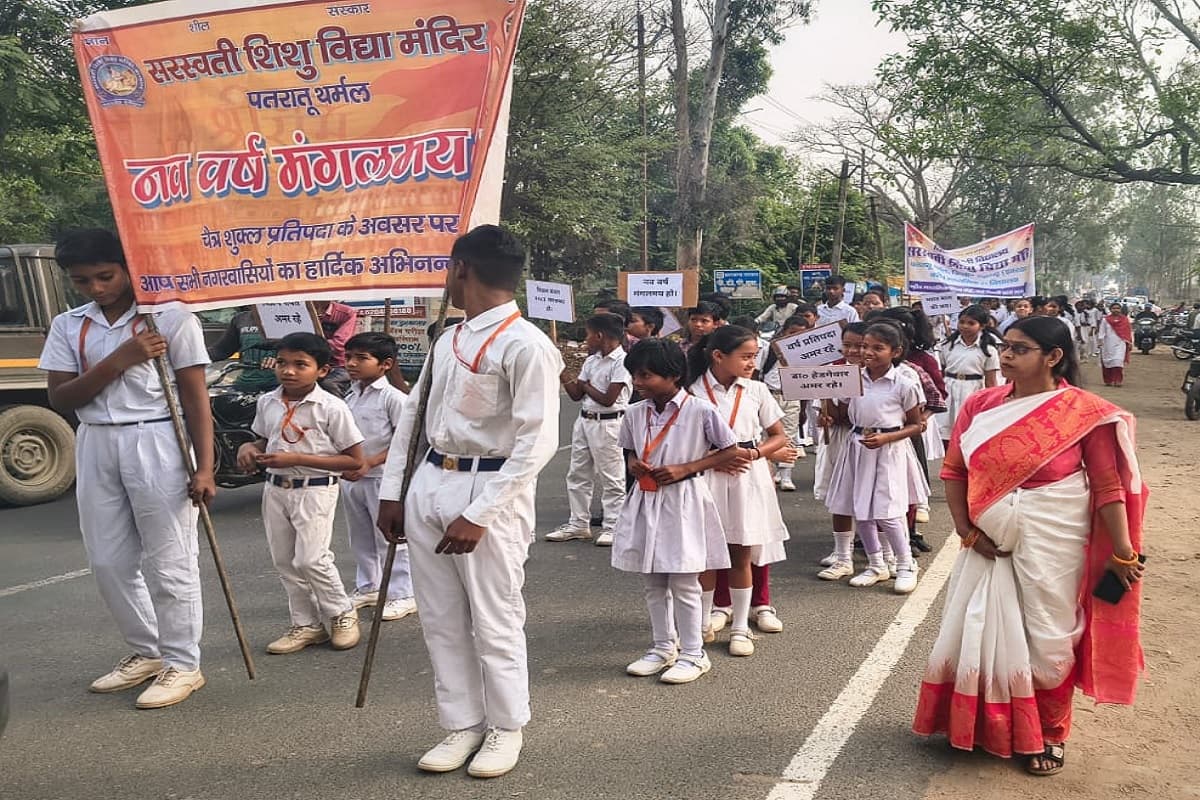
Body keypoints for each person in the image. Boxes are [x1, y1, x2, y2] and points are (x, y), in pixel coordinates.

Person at [913, 316, 1147, 776]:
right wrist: (966, 530)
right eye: (1005, 346)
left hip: (1053, 541)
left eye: (1019, 349)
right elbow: (956, 471)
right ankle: (980, 725)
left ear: (1053, 356)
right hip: (986, 544)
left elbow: (1107, 486)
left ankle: (1051, 732)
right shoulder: (981, 404)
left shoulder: (1084, 412)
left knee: (1048, 634)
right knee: (977, 628)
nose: (1005, 355)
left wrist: (1123, 552)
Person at [375, 225, 562, 779]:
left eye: (448, 269)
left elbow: (538, 442)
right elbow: (412, 419)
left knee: (495, 616)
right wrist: (393, 493)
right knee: (439, 617)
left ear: (460, 269)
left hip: (491, 488)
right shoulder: (447, 339)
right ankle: (462, 722)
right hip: (431, 478)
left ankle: (506, 726)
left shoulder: (525, 344)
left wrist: (480, 514)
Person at [40, 228, 215, 709]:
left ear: (127, 268)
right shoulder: (69, 325)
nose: (96, 289)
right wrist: (120, 359)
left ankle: (183, 663)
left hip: (158, 436)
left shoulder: (170, 317)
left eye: (105, 276)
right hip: (95, 439)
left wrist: (205, 466)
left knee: (170, 558)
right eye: (82, 281)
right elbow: (61, 397)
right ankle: (148, 649)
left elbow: (195, 396)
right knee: (108, 561)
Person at [612, 338, 737, 684]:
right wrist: (635, 463)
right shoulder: (636, 412)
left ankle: (694, 654)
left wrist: (688, 467)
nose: (637, 382)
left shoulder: (700, 411)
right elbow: (629, 451)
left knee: (683, 579)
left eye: (645, 375)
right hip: (648, 499)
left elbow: (730, 450)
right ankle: (662, 646)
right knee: (653, 580)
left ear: (673, 376)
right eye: (634, 375)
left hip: (684, 499)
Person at [237, 332, 365, 655]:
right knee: (285, 561)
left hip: (315, 488)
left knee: (311, 558)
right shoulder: (268, 402)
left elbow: (354, 460)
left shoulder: (331, 407)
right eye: (282, 363)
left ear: (321, 370)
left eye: (300, 364)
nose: (288, 371)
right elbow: (263, 441)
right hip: (276, 489)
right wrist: (248, 448)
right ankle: (306, 624)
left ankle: (340, 611)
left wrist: (296, 459)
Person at [687, 327, 790, 657]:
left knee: (742, 550)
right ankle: (702, 622)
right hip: (707, 474)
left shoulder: (757, 390)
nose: (752, 362)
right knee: (705, 553)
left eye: (755, 355)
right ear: (718, 356)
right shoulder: (692, 391)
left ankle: (741, 626)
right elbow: (683, 441)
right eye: (745, 356)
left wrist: (756, 453)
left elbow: (779, 435)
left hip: (748, 472)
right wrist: (714, 459)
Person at [824, 322, 928, 594]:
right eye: (865, 346)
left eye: (877, 348)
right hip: (858, 446)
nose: (867, 352)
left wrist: (887, 438)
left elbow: (917, 425)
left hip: (888, 450)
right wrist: (826, 405)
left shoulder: (904, 384)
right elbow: (844, 413)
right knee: (862, 510)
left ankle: (906, 564)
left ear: (895, 352)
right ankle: (875, 563)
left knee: (889, 510)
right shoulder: (853, 377)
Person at [340, 332, 415, 621]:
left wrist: (370, 462)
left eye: (361, 358)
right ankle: (368, 585)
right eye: (348, 357)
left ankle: (402, 592)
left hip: (383, 477)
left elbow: (404, 441)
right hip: (355, 477)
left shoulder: (393, 398)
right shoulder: (350, 395)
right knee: (360, 536)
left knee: (389, 537)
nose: (351, 363)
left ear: (385, 364)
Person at [548, 313, 632, 546]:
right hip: (585, 420)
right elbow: (576, 394)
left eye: (588, 334)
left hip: (609, 422)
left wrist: (586, 385)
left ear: (599, 335)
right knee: (578, 473)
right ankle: (578, 523)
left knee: (612, 477)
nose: (586, 339)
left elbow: (608, 399)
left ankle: (614, 525)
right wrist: (561, 369)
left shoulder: (621, 362)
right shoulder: (592, 361)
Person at [816, 322, 866, 579]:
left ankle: (883, 554)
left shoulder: (876, 375)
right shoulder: (831, 372)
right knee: (841, 495)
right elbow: (826, 414)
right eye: (848, 345)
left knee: (870, 495)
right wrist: (824, 417)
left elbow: (856, 415)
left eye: (860, 345)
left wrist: (838, 414)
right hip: (839, 440)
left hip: (869, 441)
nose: (854, 350)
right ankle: (842, 553)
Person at [759, 314, 812, 491]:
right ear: (784, 331)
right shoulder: (769, 349)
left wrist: (804, 408)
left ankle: (786, 475)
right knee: (767, 436)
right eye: (792, 332)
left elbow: (805, 382)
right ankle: (769, 472)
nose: (794, 337)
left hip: (792, 396)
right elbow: (757, 373)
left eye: (800, 334)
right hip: (769, 395)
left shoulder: (806, 354)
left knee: (788, 435)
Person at [935, 305, 1000, 445]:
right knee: (945, 431)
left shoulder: (988, 350)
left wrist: (991, 405)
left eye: (971, 323)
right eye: (962, 322)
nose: (965, 326)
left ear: (982, 326)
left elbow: (991, 381)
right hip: (949, 388)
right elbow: (941, 370)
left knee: (968, 432)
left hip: (973, 390)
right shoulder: (948, 345)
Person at [206, 307, 280, 392]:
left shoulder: (285, 320)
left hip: (276, 387)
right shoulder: (241, 319)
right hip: (244, 385)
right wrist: (194, 357)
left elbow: (296, 350)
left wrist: (280, 360)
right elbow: (220, 351)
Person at [311, 300, 358, 396]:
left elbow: (339, 345)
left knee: (328, 384)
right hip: (308, 363)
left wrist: (307, 346)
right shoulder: (299, 311)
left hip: (337, 365)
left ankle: (340, 409)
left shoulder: (346, 313)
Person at [1096, 303, 1133, 387]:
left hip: (1121, 343)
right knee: (1108, 362)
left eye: (1117, 308)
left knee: (1118, 362)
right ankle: (1108, 380)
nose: (1116, 310)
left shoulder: (1124, 320)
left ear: (1120, 309)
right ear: (1110, 309)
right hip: (1107, 344)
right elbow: (1102, 331)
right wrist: (1100, 341)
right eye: (1114, 308)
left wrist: (1129, 342)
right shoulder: (1105, 320)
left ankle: (1118, 380)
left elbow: (1128, 332)